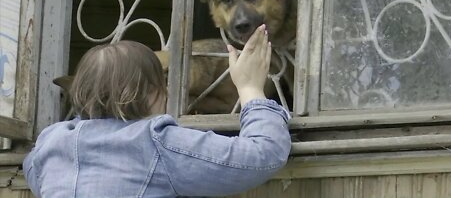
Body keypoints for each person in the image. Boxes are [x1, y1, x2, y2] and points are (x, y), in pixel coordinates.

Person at [23, 24, 291, 198]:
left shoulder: (51, 141)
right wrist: (250, 89)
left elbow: (35, 173)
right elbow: (262, 155)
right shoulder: (156, 142)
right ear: (154, 91)